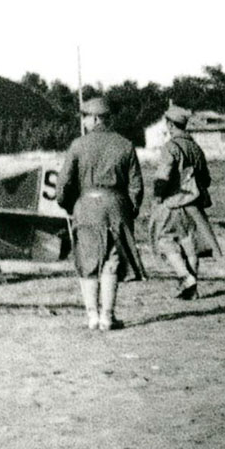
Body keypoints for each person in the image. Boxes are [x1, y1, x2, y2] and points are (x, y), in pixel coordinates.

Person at [57, 97, 145, 330]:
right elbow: (136, 186)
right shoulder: (126, 145)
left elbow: (63, 185)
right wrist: (130, 210)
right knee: (112, 261)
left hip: (86, 208)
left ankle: (92, 316)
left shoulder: (77, 145)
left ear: (96, 118)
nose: (84, 122)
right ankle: (108, 316)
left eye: (85, 117)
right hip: (117, 208)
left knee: (87, 261)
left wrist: (70, 206)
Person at [149, 105, 221, 299]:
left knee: (165, 240)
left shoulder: (170, 147)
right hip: (194, 205)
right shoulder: (196, 148)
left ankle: (185, 276)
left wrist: (157, 197)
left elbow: (163, 176)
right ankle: (192, 291)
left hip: (173, 203)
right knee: (190, 245)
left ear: (171, 125)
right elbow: (206, 180)